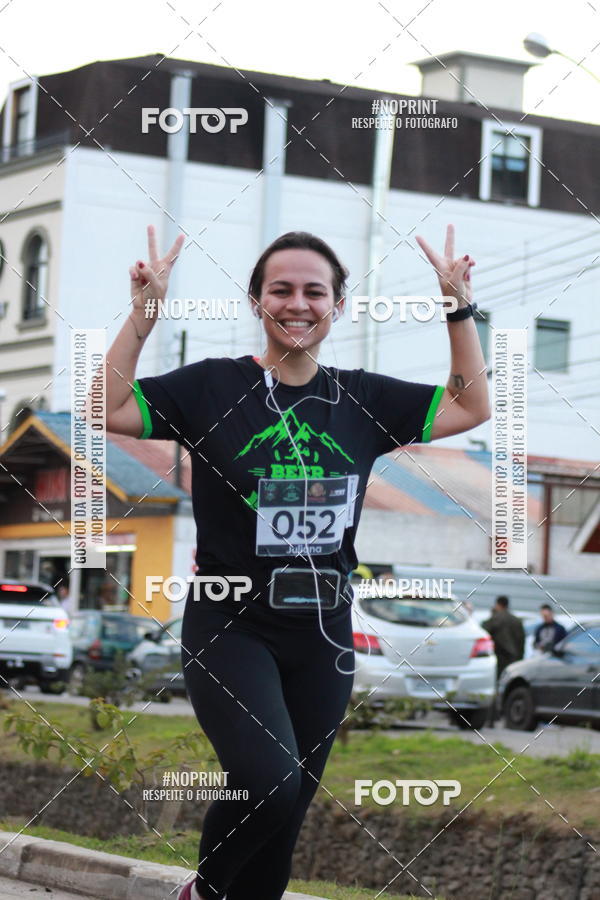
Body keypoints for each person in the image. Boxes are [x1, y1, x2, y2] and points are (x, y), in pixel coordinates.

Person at [101, 222, 489, 900]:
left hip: (324, 633)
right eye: (280, 290)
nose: (298, 303)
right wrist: (142, 317)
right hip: (230, 626)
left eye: (316, 291)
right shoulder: (210, 388)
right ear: (257, 302)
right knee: (267, 782)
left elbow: (470, 405)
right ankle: (205, 892)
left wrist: (457, 306)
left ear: (338, 305)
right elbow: (105, 406)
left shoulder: (364, 398)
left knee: (286, 814)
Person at [482, 595, 525, 726]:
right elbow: (521, 642)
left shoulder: (495, 619)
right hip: (513, 659)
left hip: (498, 658)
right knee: (510, 687)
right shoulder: (517, 621)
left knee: (494, 687)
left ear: (498, 604)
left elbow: (484, 632)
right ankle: (508, 718)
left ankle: (491, 718)